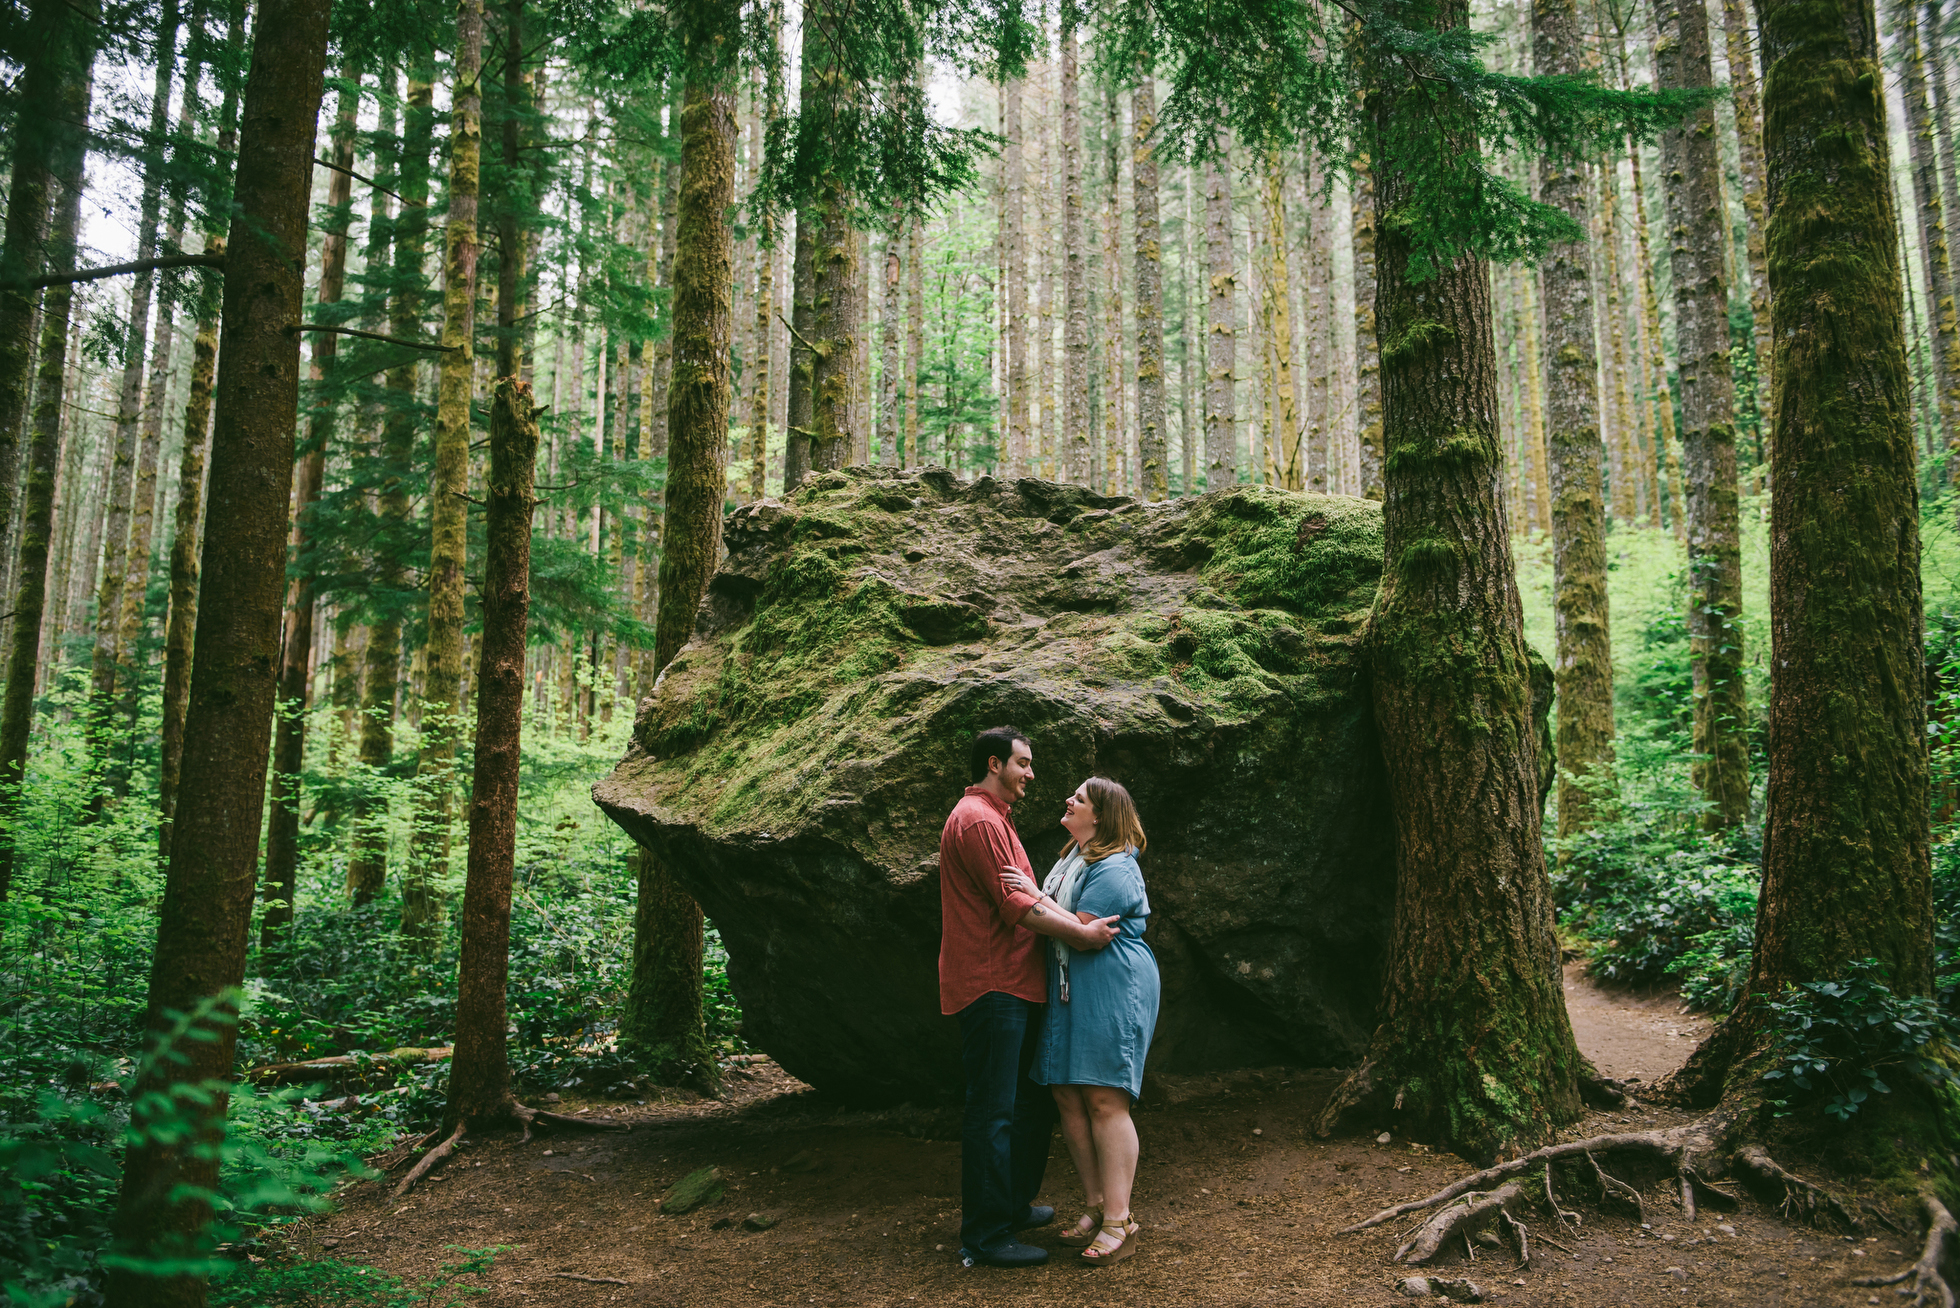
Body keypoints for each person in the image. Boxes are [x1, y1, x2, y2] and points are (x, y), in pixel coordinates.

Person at [940, 726, 1121, 1269]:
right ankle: (986, 1235)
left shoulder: (997, 819)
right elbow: (1016, 904)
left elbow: (1029, 893)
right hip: (991, 982)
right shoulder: (978, 820)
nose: (1031, 774)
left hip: (1014, 982)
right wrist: (1082, 934)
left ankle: (1011, 1206)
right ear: (994, 764)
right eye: (1023, 762)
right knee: (993, 1111)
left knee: (1023, 1105)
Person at [1000, 776, 1160, 1266]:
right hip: (1070, 986)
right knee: (1068, 1095)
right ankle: (1096, 1204)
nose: (1069, 800)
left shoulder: (1116, 867)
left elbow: (1083, 931)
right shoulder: (1074, 859)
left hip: (1111, 984)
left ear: (1102, 816)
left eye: (1080, 799)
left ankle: (1119, 1220)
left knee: (1105, 1098)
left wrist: (1033, 896)